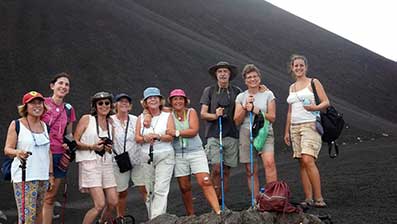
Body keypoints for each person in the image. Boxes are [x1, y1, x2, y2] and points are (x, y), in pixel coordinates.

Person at [284, 54, 329, 208]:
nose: (298, 68)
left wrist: (314, 108)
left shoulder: (313, 82)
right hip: (294, 127)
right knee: (302, 163)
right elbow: (290, 111)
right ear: (292, 68)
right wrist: (286, 132)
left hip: (310, 124)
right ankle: (308, 198)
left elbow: (326, 102)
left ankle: (319, 198)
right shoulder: (291, 87)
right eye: (296, 65)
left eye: (301, 65)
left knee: (308, 159)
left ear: (306, 67)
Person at [166, 89, 221, 215]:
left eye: (181, 99)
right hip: (179, 154)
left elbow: (193, 131)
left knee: (205, 181)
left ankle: (218, 212)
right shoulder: (169, 114)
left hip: (196, 151)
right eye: (175, 99)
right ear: (171, 101)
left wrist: (177, 132)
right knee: (184, 187)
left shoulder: (191, 112)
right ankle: (191, 216)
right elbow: (169, 130)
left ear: (185, 101)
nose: (178, 101)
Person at [4, 91, 54, 224]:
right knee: (27, 218)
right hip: (24, 176)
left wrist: (50, 175)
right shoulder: (17, 124)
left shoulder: (45, 126)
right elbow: (7, 149)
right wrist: (18, 153)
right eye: (32, 103)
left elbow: (48, 151)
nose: (37, 106)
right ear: (25, 107)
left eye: (40, 103)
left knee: (38, 214)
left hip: (42, 177)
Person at [200, 61, 242, 205]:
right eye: (220, 71)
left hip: (231, 134)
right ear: (216, 75)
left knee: (226, 171)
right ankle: (214, 201)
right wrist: (215, 115)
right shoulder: (209, 91)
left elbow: (241, 110)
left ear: (229, 74)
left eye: (225, 71)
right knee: (216, 169)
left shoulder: (236, 91)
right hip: (214, 134)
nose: (223, 74)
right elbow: (203, 114)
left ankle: (221, 200)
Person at [234, 64, 278, 199]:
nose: (252, 79)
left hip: (264, 132)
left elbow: (272, 117)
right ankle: (257, 200)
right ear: (245, 80)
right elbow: (236, 120)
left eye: (255, 76)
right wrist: (244, 107)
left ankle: (273, 198)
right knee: (250, 170)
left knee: (269, 163)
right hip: (246, 133)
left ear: (259, 78)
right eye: (249, 77)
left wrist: (256, 110)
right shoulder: (241, 97)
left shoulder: (268, 94)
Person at [74, 92, 118, 224]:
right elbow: (75, 142)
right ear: (95, 105)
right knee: (99, 204)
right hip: (90, 163)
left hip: (106, 162)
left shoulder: (111, 122)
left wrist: (107, 147)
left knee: (113, 202)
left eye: (107, 103)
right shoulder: (87, 119)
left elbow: (111, 143)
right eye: (100, 103)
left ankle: (101, 222)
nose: (104, 106)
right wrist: (92, 146)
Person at [40, 72, 76, 224]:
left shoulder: (68, 109)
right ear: (52, 86)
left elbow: (69, 134)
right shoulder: (41, 103)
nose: (63, 87)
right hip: (43, 155)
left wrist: (71, 146)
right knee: (41, 197)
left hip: (60, 155)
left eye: (66, 84)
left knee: (50, 198)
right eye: (60, 83)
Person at [135, 87, 175, 219]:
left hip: (165, 155)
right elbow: (137, 138)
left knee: (161, 189)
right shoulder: (140, 118)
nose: (152, 99)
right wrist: (145, 138)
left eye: (155, 97)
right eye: (149, 98)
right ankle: (152, 217)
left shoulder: (167, 116)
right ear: (145, 102)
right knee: (149, 190)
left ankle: (158, 219)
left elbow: (170, 136)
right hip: (146, 156)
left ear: (160, 100)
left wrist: (158, 136)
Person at [110, 93, 146, 221]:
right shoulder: (110, 120)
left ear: (130, 106)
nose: (124, 104)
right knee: (121, 192)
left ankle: (154, 215)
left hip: (137, 160)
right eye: (121, 101)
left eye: (127, 102)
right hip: (119, 162)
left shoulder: (136, 119)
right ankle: (120, 218)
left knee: (144, 188)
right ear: (115, 105)